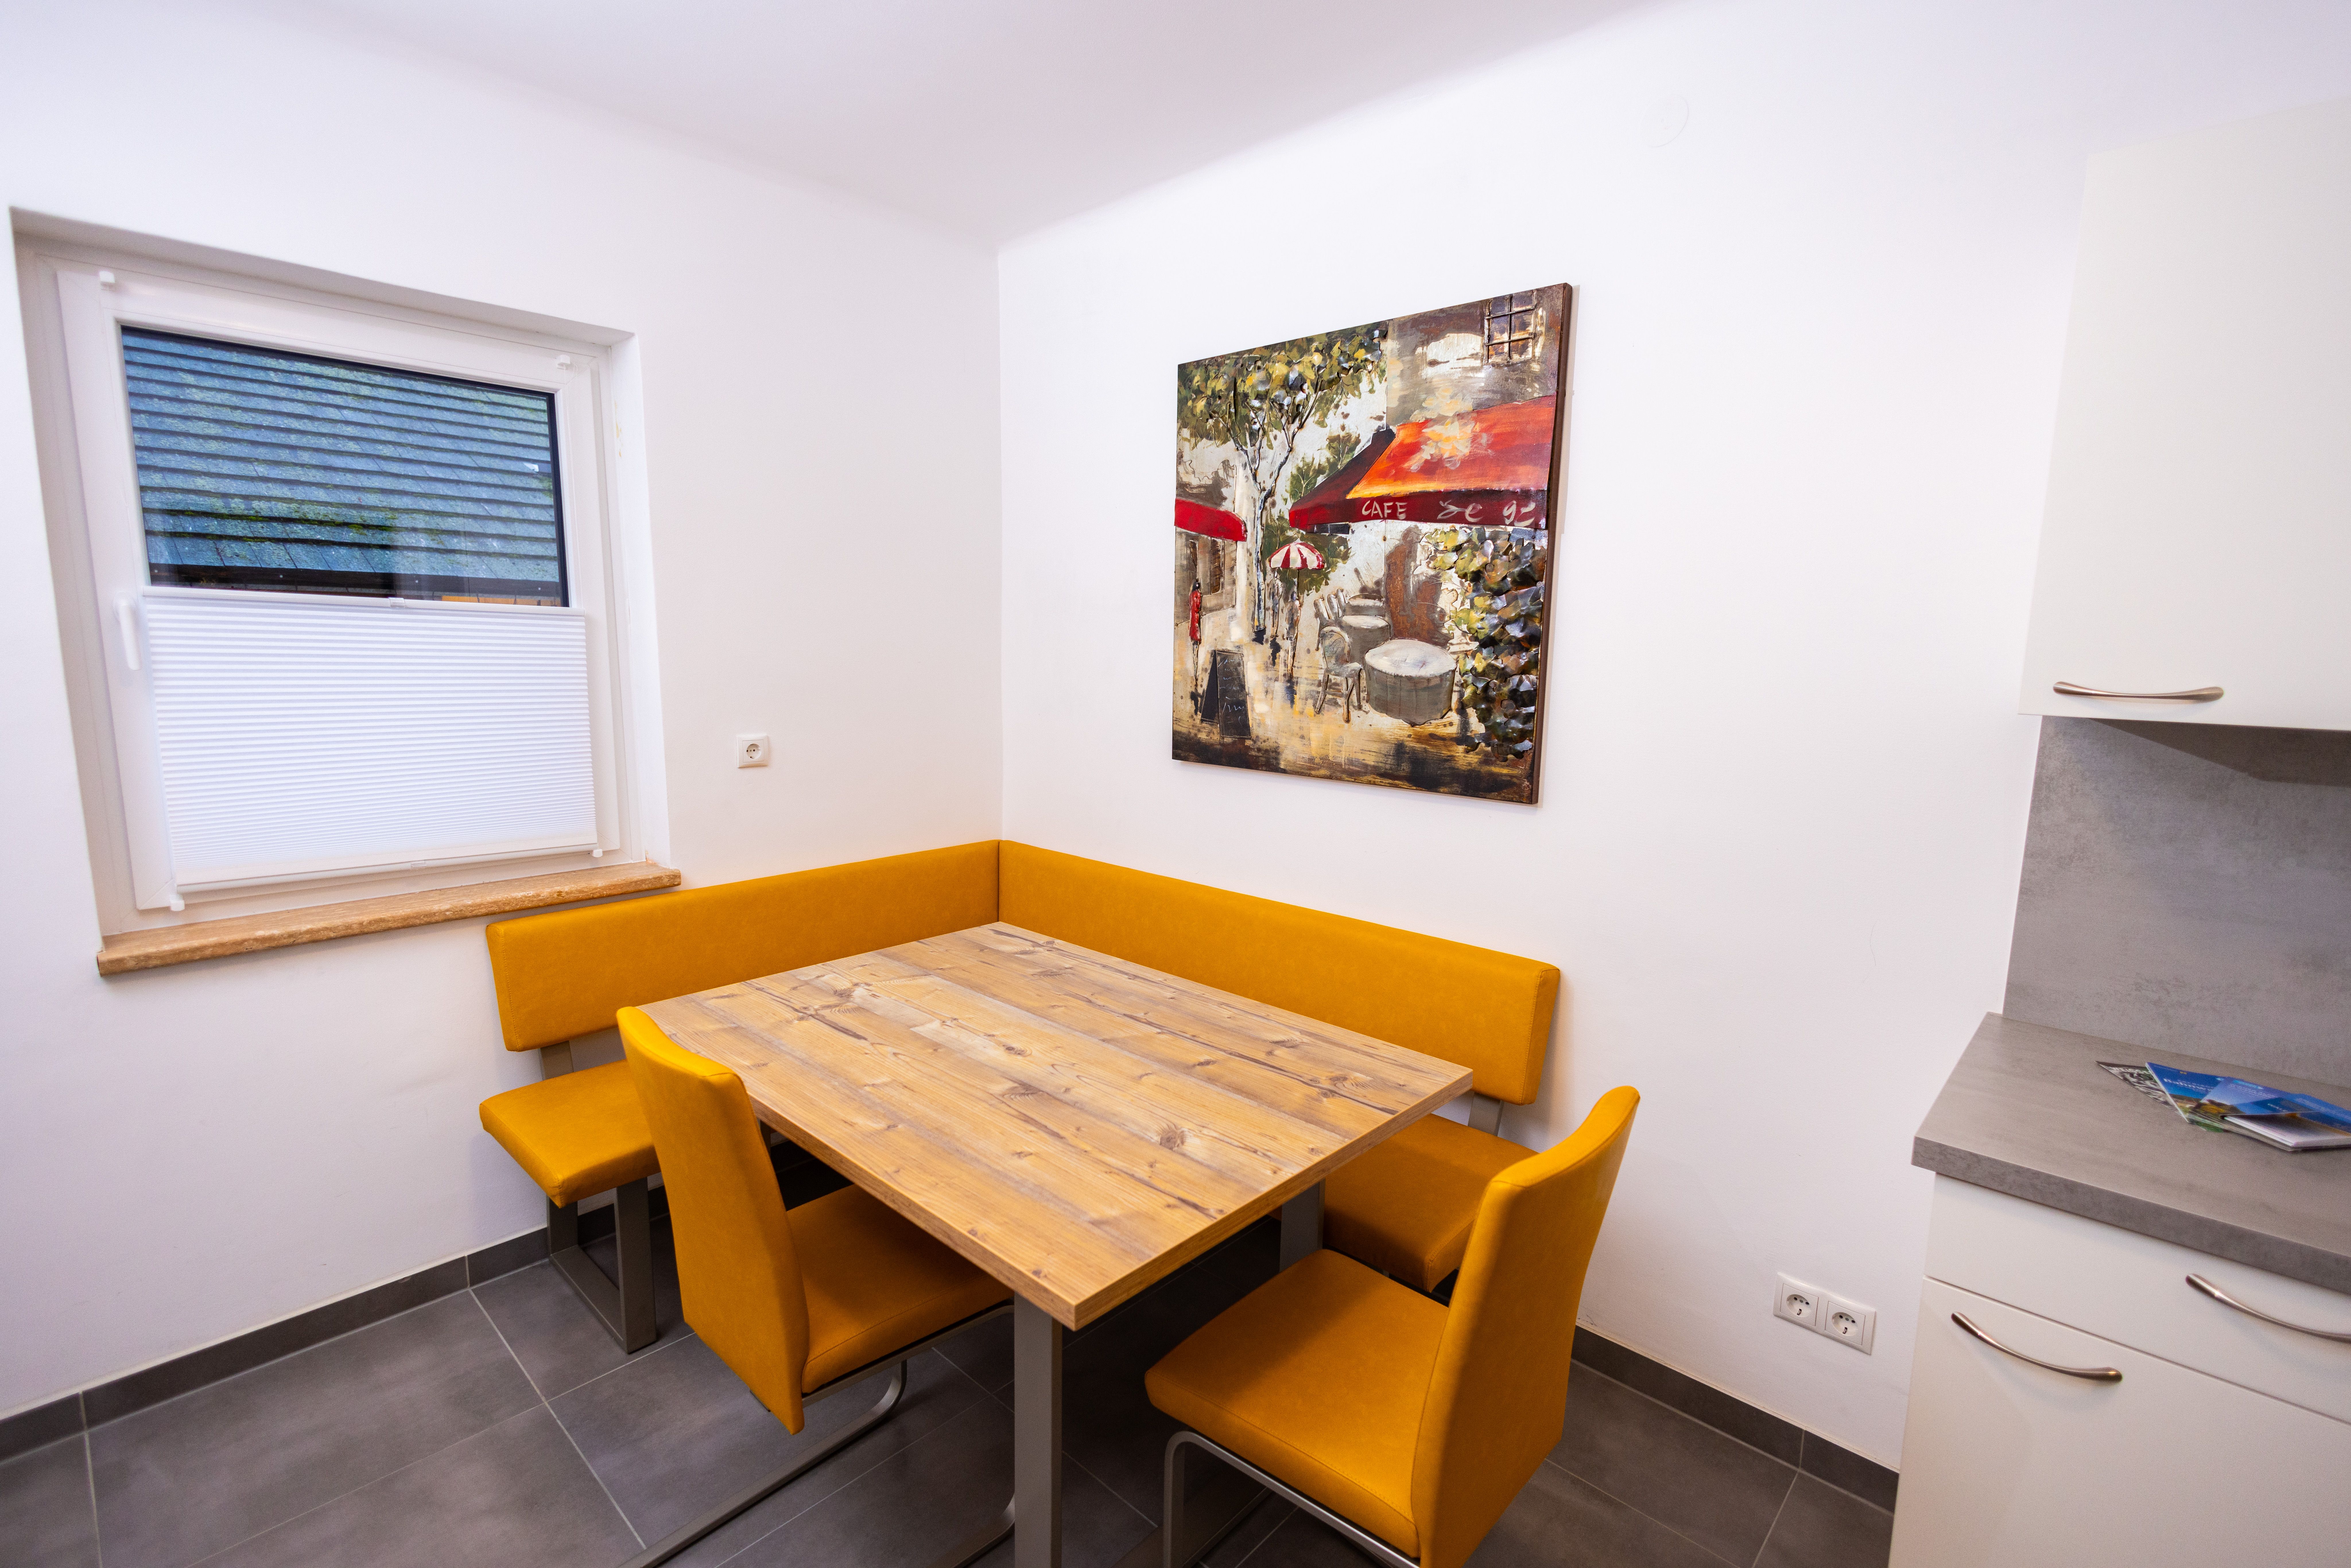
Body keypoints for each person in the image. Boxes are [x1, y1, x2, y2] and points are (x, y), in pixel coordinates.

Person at [1186, 579, 1204, 692]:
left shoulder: (1191, 595)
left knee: (1194, 652)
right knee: (1196, 651)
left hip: (1192, 624)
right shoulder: (1197, 594)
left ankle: (1194, 675)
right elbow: (1197, 607)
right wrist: (1200, 598)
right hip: (1196, 624)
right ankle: (1195, 676)